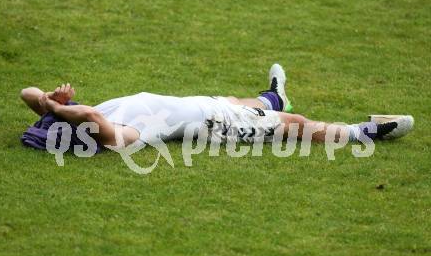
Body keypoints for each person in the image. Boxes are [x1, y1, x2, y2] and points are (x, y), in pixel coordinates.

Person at [20, 64, 413, 150]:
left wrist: (49, 102)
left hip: (204, 105)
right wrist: (68, 110)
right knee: (294, 124)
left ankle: (272, 96)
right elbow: (89, 117)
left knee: (239, 100)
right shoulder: (118, 135)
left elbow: (26, 92)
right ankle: (366, 131)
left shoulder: (101, 112)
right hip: (216, 125)